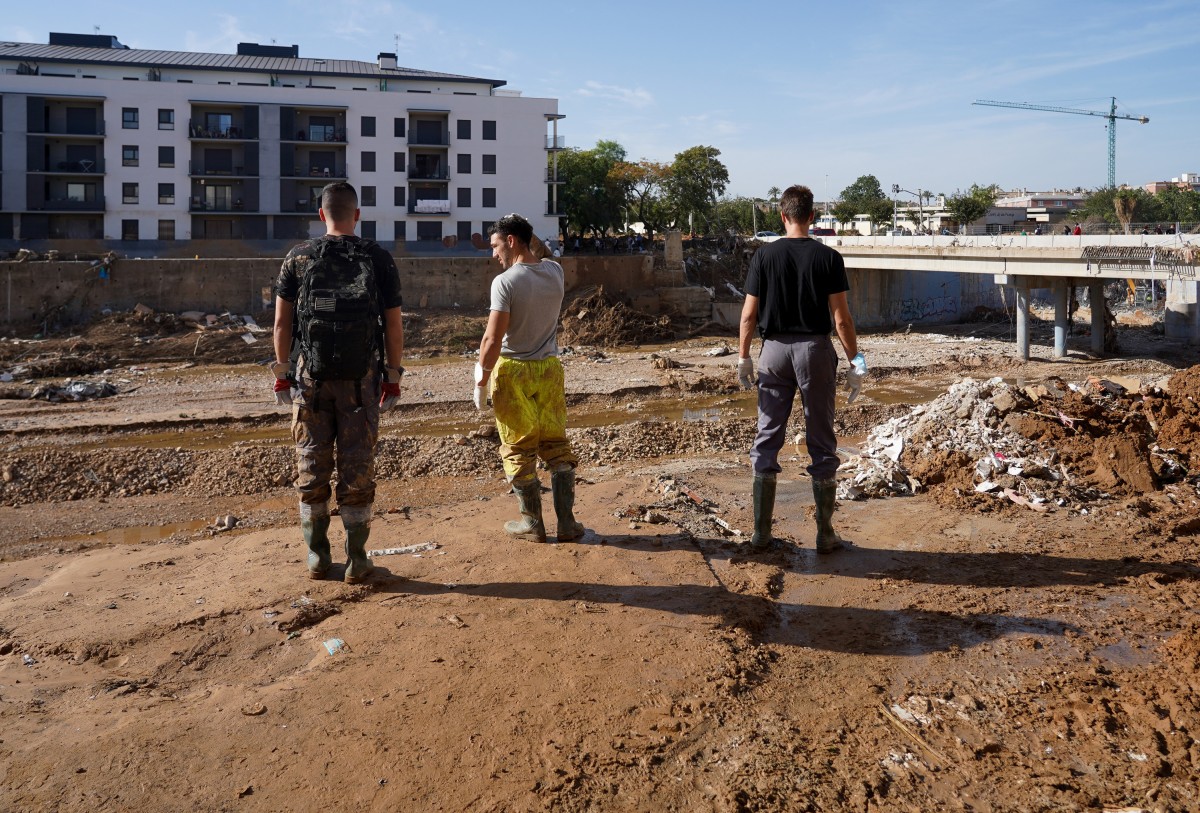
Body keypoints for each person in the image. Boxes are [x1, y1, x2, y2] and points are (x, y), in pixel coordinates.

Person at [272, 182, 405, 583]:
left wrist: (282, 375)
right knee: (357, 467)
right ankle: (358, 559)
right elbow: (394, 325)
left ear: (321, 215)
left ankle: (317, 557)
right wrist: (393, 378)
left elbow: (281, 323)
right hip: (361, 380)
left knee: (311, 462)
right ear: (357, 215)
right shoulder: (377, 257)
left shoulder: (298, 257)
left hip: (311, 378)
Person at [737, 184, 861, 553]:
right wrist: (858, 362)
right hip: (815, 351)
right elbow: (842, 320)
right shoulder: (828, 258)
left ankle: (761, 534)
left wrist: (743, 356)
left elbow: (748, 314)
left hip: (772, 351)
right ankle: (825, 534)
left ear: (782, 215)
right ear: (812, 217)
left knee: (767, 435)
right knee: (821, 439)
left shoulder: (763, 256)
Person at [474, 213, 583, 543]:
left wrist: (481, 381)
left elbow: (493, 339)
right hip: (549, 370)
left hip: (514, 372)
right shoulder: (555, 272)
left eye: (495, 246)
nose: (493, 254)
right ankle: (567, 523)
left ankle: (532, 523)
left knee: (518, 446)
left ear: (510, 241)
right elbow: (544, 256)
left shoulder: (505, 282)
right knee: (555, 443)